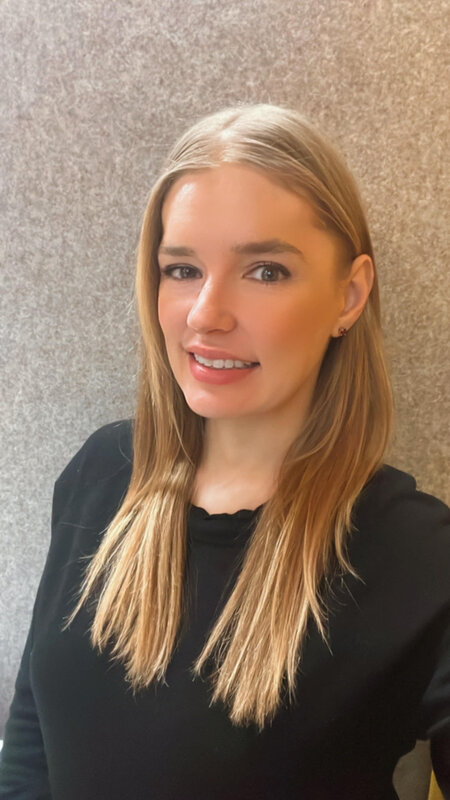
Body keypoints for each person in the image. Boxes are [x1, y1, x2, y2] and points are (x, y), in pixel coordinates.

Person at [1, 104, 449, 800]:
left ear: (349, 294)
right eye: (181, 269)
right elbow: (33, 734)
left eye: (265, 271)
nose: (206, 314)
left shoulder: (417, 554)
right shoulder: (101, 472)